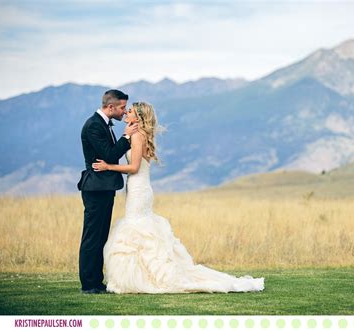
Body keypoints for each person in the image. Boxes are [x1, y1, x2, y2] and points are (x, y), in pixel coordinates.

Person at [92, 102, 265, 293]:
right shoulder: (138, 135)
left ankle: (150, 277)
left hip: (139, 189)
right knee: (141, 228)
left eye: (130, 111)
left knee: (137, 227)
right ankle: (144, 275)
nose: (126, 112)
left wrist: (108, 167)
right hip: (139, 188)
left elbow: (133, 168)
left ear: (139, 117)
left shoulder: (138, 137)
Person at [77, 89, 138, 294]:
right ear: (110, 107)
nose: (124, 111)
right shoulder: (93, 125)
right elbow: (110, 155)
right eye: (122, 107)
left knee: (101, 235)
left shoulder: (103, 124)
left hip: (105, 187)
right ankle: (88, 284)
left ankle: (96, 281)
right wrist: (126, 136)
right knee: (92, 236)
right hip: (95, 188)